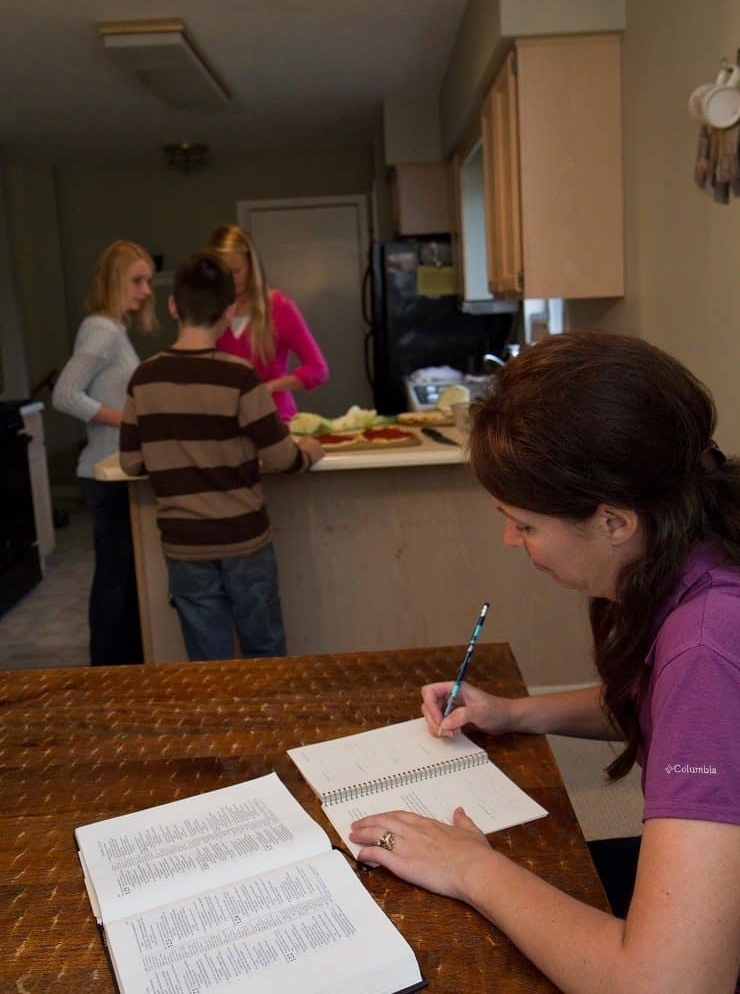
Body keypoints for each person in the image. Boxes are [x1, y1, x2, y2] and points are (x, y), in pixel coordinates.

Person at [349, 331, 740, 993]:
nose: (511, 539)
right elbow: (667, 705)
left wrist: (469, 867)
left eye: (525, 524)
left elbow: (668, 984)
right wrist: (516, 712)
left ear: (614, 521)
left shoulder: (707, 645)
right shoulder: (695, 549)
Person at [119, 252, 324, 661]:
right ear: (229, 310)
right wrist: (309, 453)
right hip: (244, 540)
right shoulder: (240, 377)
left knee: (208, 663)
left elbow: (131, 462)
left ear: (173, 305)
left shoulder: (144, 378)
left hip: (184, 545)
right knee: (265, 651)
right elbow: (281, 458)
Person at [53, 239, 156, 665]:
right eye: (137, 280)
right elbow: (64, 395)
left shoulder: (114, 329)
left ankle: (124, 667)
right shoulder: (102, 331)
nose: (146, 290)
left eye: (148, 281)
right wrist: (126, 420)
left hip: (113, 469)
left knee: (124, 578)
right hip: (105, 471)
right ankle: (110, 671)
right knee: (116, 580)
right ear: (114, 280)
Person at [206, 223, 329, 421]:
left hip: (275, 418)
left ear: (251, 266)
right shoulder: (208, 311)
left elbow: (318, 369)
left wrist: (271, 387)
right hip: (225, 421)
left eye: (237, 270)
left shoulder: (279, 307)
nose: (231, 279)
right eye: (224, 273)